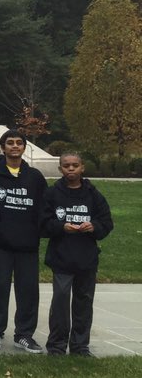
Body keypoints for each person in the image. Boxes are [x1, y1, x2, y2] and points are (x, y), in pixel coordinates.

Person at [42, 153, 114, 356]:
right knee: (61, 301)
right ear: (60, 169)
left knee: (83, 301)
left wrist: (94, 226)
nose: (71, 169)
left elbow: (107, 222)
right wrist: (61, 227)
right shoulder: (52, 193)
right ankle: (56, 345)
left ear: (82, 167)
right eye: (66, 166)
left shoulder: (93, 194)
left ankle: (80, 345)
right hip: (62, 257)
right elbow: (43, 223)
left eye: (75, 165)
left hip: (86, 258)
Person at [0, 129, 48, 354]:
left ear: (23, 147)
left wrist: (35, 232)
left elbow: (43, 209)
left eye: (18, 143)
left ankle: (24, 335)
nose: (14, 146)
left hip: (27, 245)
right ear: (2, 147)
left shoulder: (35, 177)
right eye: (9, 143)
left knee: (28, 291)